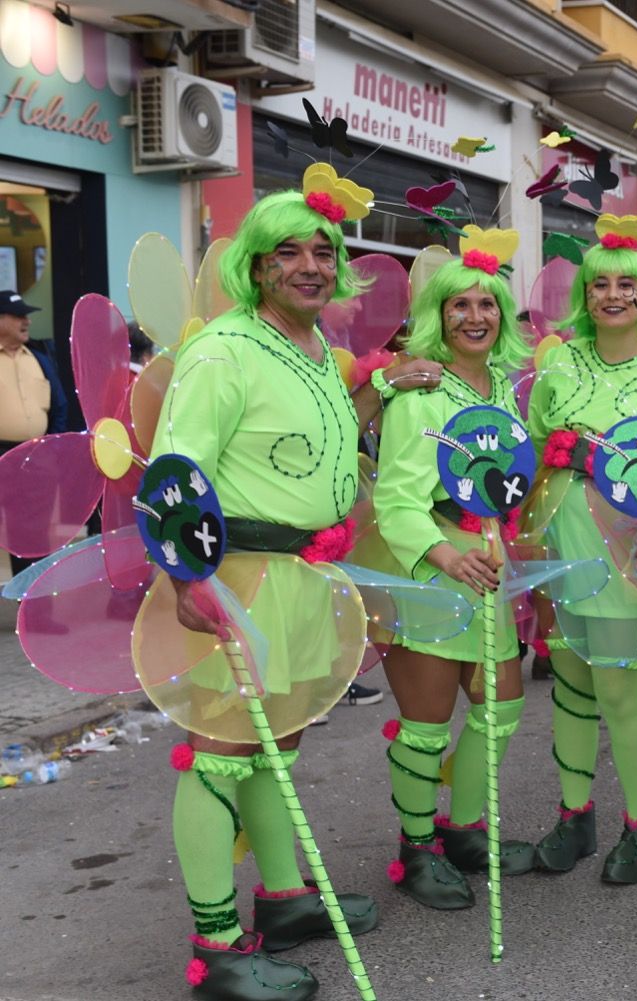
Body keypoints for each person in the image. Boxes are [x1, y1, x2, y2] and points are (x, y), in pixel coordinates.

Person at [150, 179, 436, 1000]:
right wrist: (185, 578)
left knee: (281, 742)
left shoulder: (311, 347)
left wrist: (382, 386)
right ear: (257, 265)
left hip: (305, 576)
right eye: (289, 252)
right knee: (222, 756)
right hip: (239, 572)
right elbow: (176, 472)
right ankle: (217, 946)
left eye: (323, 252)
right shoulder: (224, 349)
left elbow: (318, 432)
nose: (310, 266)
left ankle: (282, 901)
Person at [526, 214, 637, 884]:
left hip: (623, 557)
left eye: (628, 284)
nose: (614, 295)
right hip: (556, 547)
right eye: (601, 284)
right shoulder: (559, 363)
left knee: (623, 696)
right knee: (569, 689)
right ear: (586, 295)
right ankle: (575, 815)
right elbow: (532, 450)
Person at [371, 243, 538, 907]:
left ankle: (464, 827)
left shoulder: (500, 387)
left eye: (486, 303)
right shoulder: (425, 390)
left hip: (488, 566)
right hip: (435, 571)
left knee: (502, 706)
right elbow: (397, 500)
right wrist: (446, 555)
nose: (475, 316)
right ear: (438, 317)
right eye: (460, 304)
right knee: (427, 723)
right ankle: (417, 849)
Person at [0, 290, 66, 575]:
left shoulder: (40, 359)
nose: (26, 321)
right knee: (14, 534)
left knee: (38, 538)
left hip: (36, 457)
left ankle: (37, 612)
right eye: (18, 316)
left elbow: (60, 406)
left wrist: (50, 449)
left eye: (27, 316)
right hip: (3, 456)